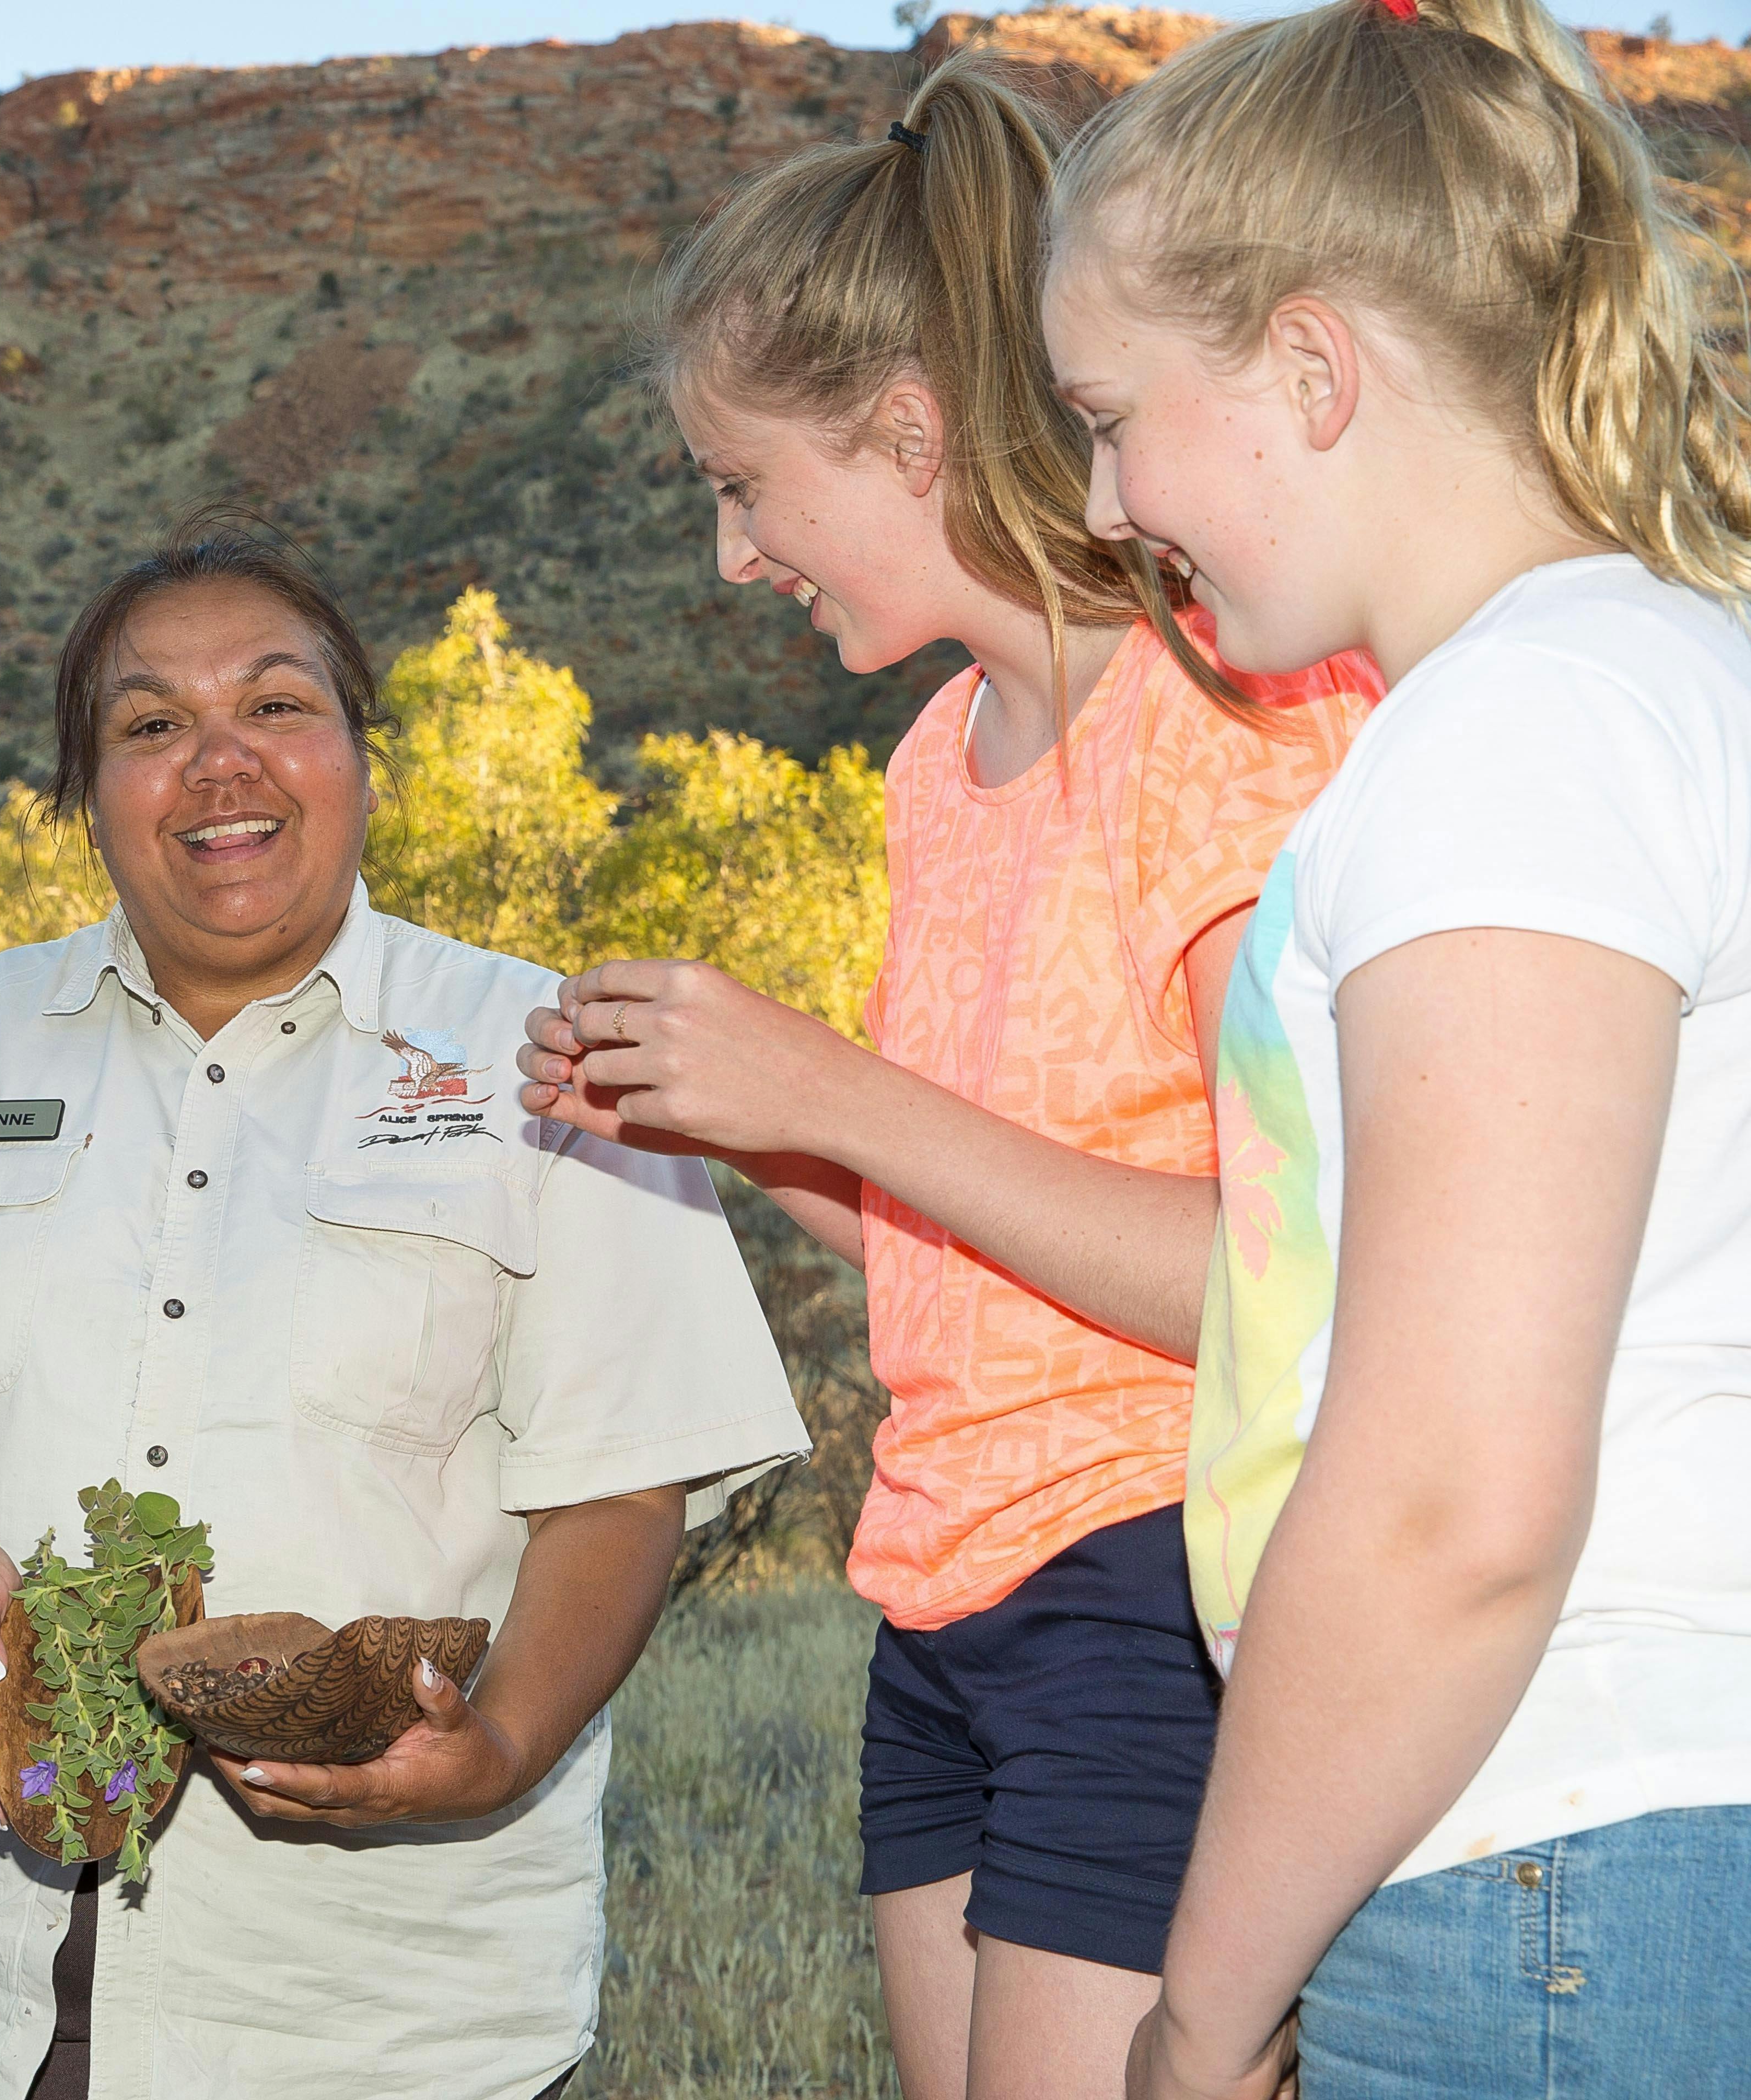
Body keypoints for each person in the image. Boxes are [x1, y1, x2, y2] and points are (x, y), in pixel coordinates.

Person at [0, 511, 810, 2100]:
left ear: (361, 755)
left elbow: (622, 1487)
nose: (221, 764)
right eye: (151, 727)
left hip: (379, 2013)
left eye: (278, 706)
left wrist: (492, 1750)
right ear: (84, 799)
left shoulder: (535, 1061)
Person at [513, 57, 1380, 2100]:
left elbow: (1297, 1275)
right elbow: (965, 1242)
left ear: (905, 434)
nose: (735, 558)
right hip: (939, 1594)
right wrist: (732, 1124)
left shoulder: (1233, 724)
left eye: (748, 490)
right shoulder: (936, 766)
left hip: (1165, 1587)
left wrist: (833, 1083)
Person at [1031, 1, 1751, 2093]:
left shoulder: (1517, 738)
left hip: (1539, 1868)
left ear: (1312, 369)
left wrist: (1203, 2005)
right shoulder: (1643, 684)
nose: (1099, 499)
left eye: (1110, 414)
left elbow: (1453, 1498)